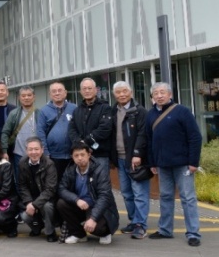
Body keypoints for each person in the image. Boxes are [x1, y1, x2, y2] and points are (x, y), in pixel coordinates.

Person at [147, 82, 202, 247]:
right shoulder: (150, 114)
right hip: (162, 165)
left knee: (188, 198)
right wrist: (152, 162)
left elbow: (195, 137)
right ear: (152, 97)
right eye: (156, 93)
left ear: (170, 94)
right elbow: (149, 141)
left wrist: (193, 162)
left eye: (162, 92)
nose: (159, 96)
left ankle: (193, 233)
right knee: (165, 197)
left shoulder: (182, 111)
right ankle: (165, 230)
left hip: (183, 164)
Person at [57, 141, 119, 245]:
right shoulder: (70, 169)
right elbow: (62, 189)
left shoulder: (100, 170)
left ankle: (105, 233)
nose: (80, 158)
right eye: (76, 155)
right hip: (81, 205)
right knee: (61, 204)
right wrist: (76, 200)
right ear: (72, 157)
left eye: (82, 154)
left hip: (99, 207)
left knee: (97, 228)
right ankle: (79, 234)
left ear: (89, 155)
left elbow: (104, 196)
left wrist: (93, 218)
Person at [111, 81, 150, 240]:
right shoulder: (113, 111)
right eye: (118, 92)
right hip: (120, 159)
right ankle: (134, 221)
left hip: (135, 159)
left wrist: (137, 153)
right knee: (127, 193)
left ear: (131, 92)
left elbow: (143, 134)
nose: (122, 94)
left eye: (125, 91)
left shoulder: (139, 111)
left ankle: (141, 224)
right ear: (114, 95)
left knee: (139, 193)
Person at [17, 137, 58, 242]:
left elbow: (50, 189)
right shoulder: (22, 163)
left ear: (42, 150)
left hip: (46, 198)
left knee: (47, 207)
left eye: (36, 149)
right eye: (30, 149)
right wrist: (28, 202)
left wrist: (35, 205)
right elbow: (22, 185)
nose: (33, 152)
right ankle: (37, 228)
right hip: (31, 198)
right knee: (24, 216)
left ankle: (50, 232)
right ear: (26, 151)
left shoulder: (49, 164)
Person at [36, 82, 76, 181]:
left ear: (65, 93)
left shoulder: (74, 108)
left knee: (72, 182)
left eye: (59, 90)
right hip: (53, 156)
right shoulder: (44, 111)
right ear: (50, 94)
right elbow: (40, 132)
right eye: (54, 91)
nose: (57, 93)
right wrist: (45, 152)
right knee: (54, 182)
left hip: (73, 154)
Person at [68, 78, 113, 164]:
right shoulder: (77, 110)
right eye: (84, 89)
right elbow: (72, 129)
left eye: (90, 88)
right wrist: (79, 143)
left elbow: (105, 129)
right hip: (82, 155)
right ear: (80, 92)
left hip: (100, 155)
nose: (87, 91)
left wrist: (86, 141)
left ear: (95, 90)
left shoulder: (105, 108)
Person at [0, 86, 37, 181]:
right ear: (19, 98)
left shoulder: (40, 113)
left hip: (36, 153)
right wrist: (4, 150)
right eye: (23, 96)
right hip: (19, 153)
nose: (26, 98)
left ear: (34, 97)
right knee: (20, 179)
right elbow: (5, 132)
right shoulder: (14, 114)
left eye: (29, 95)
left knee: (36, 178)